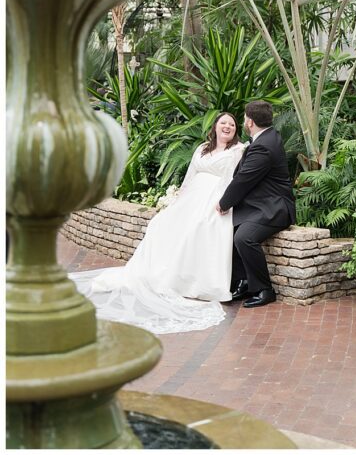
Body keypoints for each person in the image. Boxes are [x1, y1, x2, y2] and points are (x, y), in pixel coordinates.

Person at [71, 113, 246, 333]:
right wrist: (177, 200)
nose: (227, 126)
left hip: (213, 201)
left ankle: (191, 282)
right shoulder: (203, 148)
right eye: (223, 123)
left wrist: (222, 203)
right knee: (160, 224)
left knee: (197, 230)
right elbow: (190, 176)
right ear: (215, 126)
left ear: (235, 129)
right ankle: (159, 274)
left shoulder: (237, 151)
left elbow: (231, 179)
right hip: (191, 199)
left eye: (231, 124)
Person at [217, 100, 295, 308]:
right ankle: (243, 283)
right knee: (231, 231)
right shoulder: (266, 137)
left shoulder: (264, 146)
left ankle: (264, 289)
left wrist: (224, 203)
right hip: (261, 204)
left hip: (276, 208)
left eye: (244, 118)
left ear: (249, 122)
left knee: (244, 238)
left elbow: (244, 178)